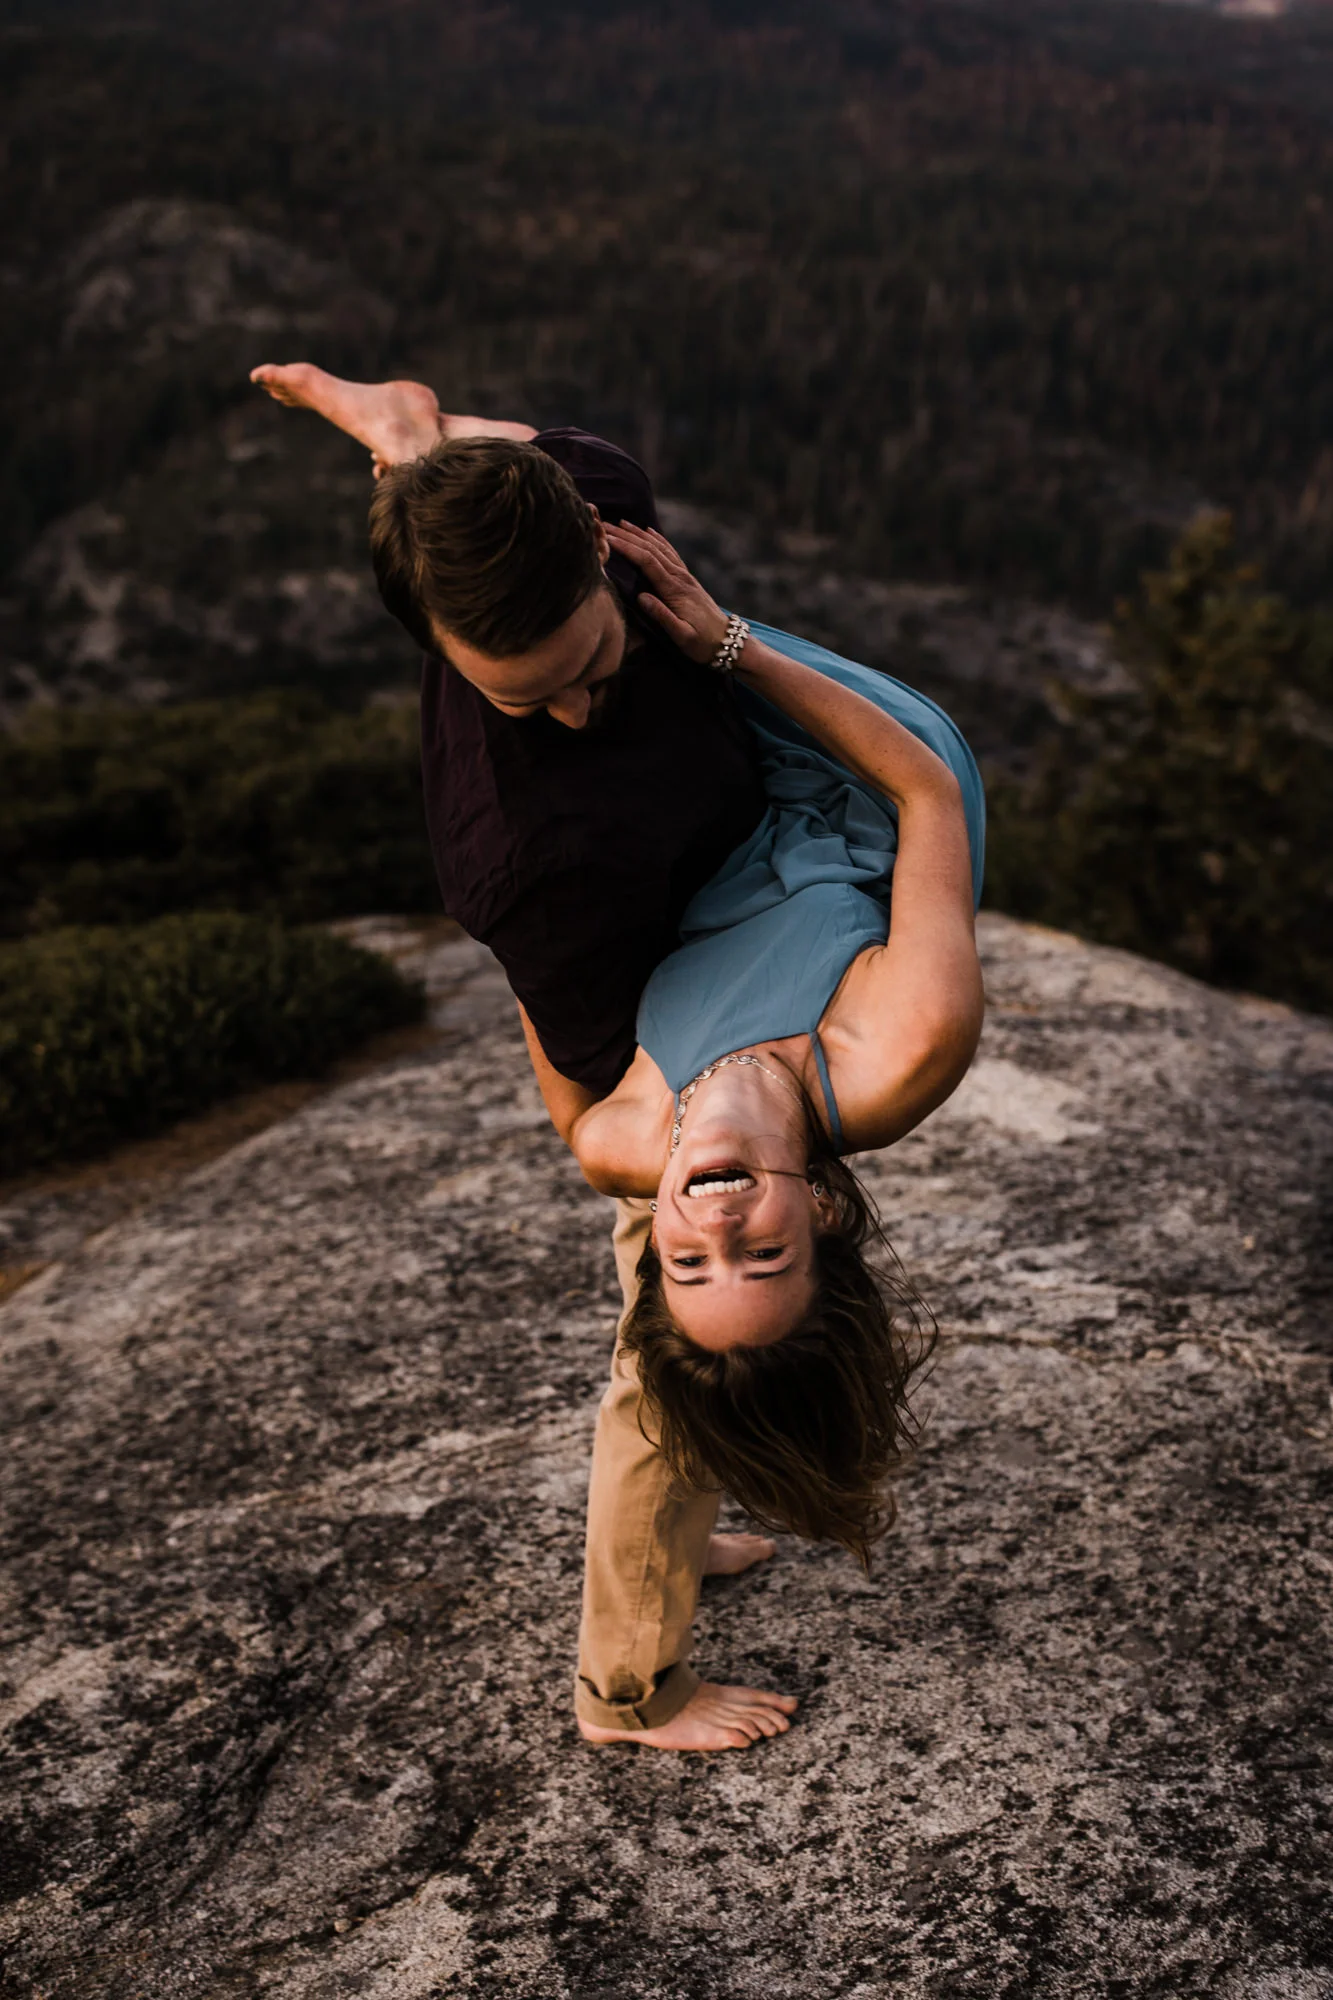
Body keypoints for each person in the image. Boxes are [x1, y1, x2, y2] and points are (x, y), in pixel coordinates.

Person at [248, 364, 981, 1752]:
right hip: (650, 914)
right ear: (820, 1205)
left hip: (701, 915)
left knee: (692, 1353)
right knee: (663, 1401)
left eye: (592, 665)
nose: (703, 1227)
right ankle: (626, 1691)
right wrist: (726, 647)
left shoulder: (606, 514)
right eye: (756, 1249)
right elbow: (928, 786)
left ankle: (406, 434)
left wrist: (422, 446)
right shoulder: (532, 868)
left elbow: (532, 462)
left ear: (596, 551)